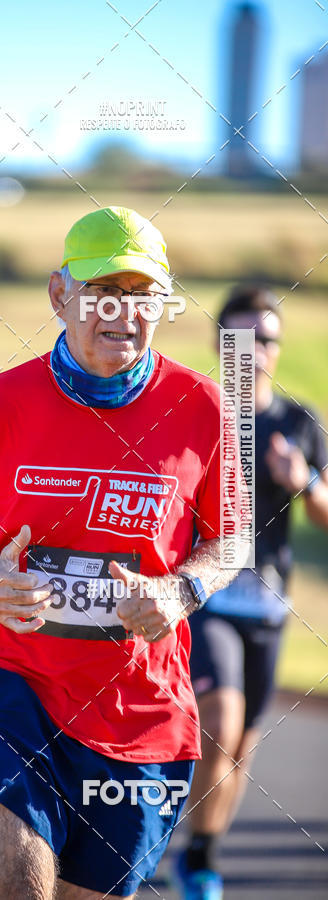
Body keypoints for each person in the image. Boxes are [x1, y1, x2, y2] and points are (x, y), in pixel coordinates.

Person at [0, 206, 247, 899]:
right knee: (16, 881)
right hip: (13, 683)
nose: (122, 313)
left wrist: (178, 592)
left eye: (143, 296)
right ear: (59, 294)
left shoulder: (202, 408)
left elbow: (232, 536)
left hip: (138, 708)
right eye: (102, 293)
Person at [175, 284, 328, 899]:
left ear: (278, 348)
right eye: (240, 338)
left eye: (265, 339)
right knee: (220, 723)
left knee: (239, 750)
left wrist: (303, 483)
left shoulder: (297, 423)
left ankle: (201, 853)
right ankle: (166, 831)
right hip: (207, 596)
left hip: (267, 603)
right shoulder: (196, 414)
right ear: (219, 345)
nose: (254, 350)